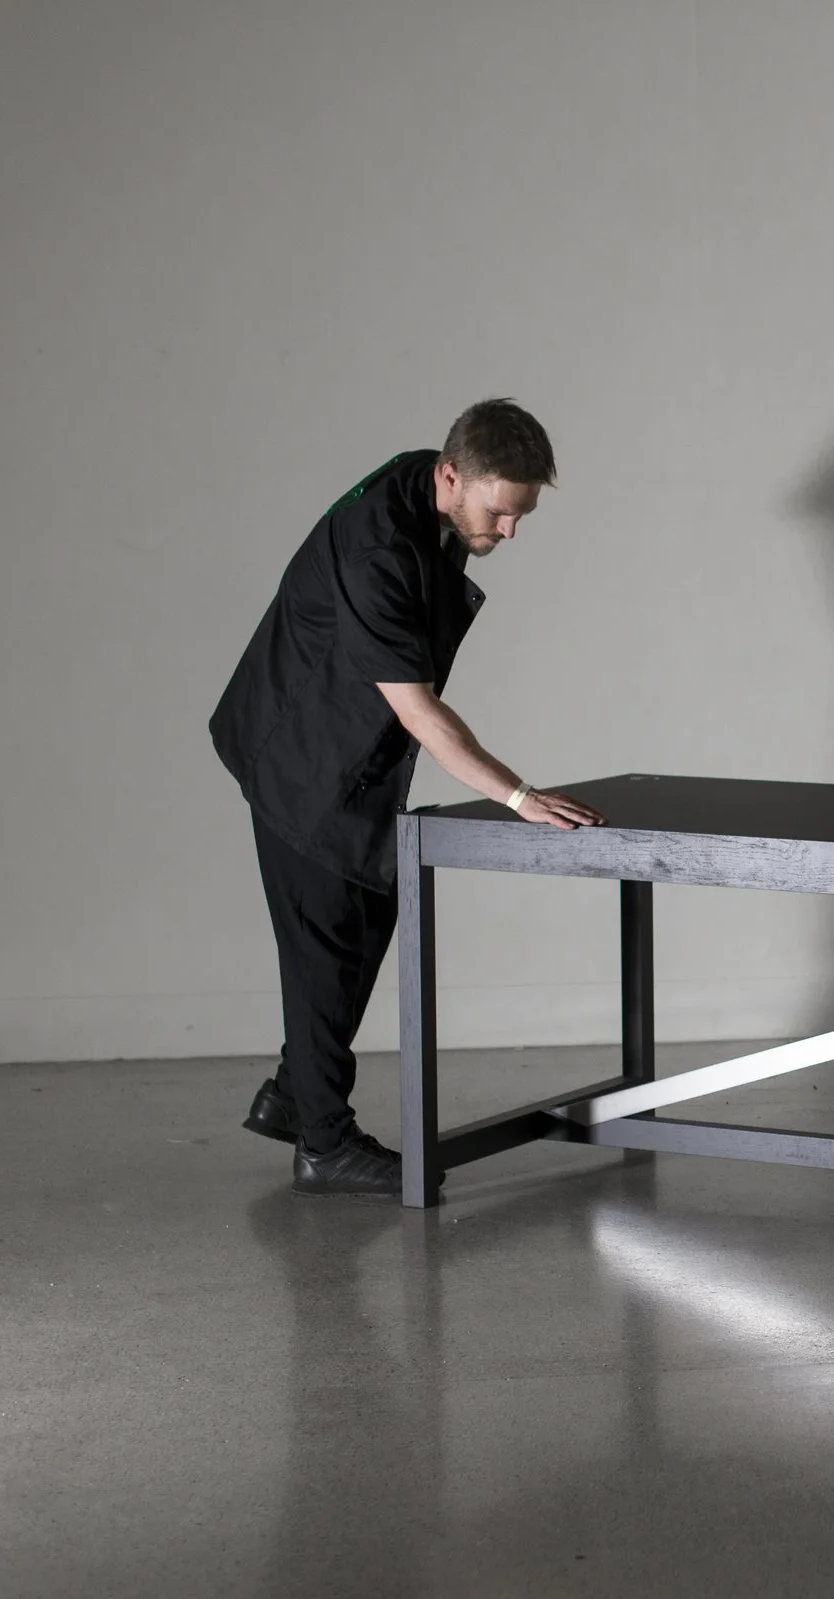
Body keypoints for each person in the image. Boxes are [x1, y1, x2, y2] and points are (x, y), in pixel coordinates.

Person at [210, 399, 603, 1196]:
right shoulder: (377, 551)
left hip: (347, 752)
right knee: (324, 950)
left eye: (523, 513)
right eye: (502, 512)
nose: (511, 530)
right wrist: (517, 795)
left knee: (371, 917)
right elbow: (419, 710)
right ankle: (323, 1142)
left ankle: (294, 1094)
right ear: (452, 476)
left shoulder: (432, 484)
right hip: (300, 759)